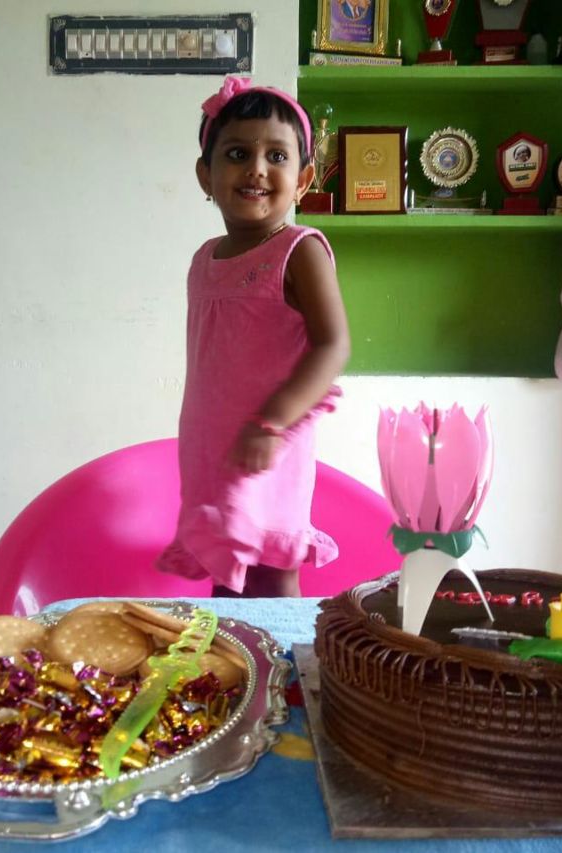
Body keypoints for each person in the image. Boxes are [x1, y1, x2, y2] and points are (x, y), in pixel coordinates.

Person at [156, 76, 351, 598]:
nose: (257, 169)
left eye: (277, 156)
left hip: (271, 439)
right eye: (238, 153)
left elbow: (333, 345)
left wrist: (274, 421)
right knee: (226, 567)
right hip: (213, 444)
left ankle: (284, 651)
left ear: (303, 178)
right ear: (206, 174)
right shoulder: (204, 258)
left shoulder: (299, 250)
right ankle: (232, 652)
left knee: (271, 566)